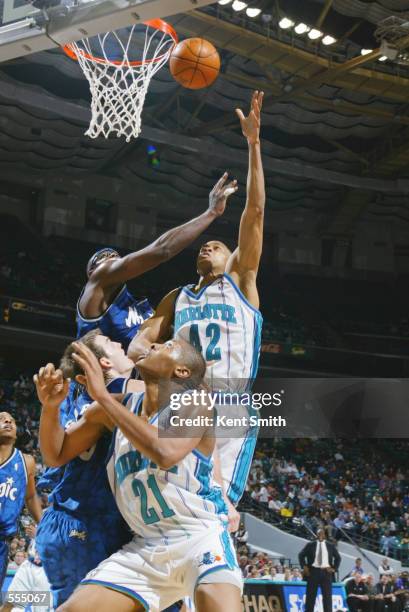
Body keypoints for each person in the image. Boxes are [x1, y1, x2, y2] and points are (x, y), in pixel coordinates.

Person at [129, 91, 265, 519]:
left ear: (233, 258)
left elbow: (255, 212)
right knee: (172, 503)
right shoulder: (178, 298)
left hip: (228, 404)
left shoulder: (241, 282)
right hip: (183, 399)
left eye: (219, 244)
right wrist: (144, 363)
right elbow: (139, 344)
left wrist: (253, 145)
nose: (209, 245)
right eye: (205, 245)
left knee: (217, 510)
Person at [35, 337, 242, 612]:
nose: (154, 345)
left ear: (181, 371)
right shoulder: (118, 406)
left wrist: (104, 398)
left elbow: (165, 452)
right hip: (145, 545)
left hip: (199, 537)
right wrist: (49, 408)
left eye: (167, 346)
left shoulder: (196, 404)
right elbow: (56, 454)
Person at [35, 330, 145, 608]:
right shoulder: (108, 402)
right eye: (111, 343)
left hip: (105, 523)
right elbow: (54, 457)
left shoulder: (86, 399)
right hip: (81, 522)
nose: (120, 343)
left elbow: (53, 456)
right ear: (105, 363)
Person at [77, 174, 238, 349]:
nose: (112, 261)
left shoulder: (140, 307)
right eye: (104, 260)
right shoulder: (98, 284)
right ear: (93, 274)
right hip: (99, 375)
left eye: (116, 258)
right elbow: (162, 250)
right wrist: (211, 213)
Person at [0, 412, 42, 592]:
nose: (8, 421)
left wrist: (43, 525)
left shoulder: (27, 462)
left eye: (11, 420)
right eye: (1, 419)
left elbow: (30, 496)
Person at [298, 529, 341, 612]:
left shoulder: (330, 545)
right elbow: (301, 555)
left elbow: (338, 558)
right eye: (319, 533)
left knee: (327, 597)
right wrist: (304, 566)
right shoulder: (310, 545)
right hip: (313, 572)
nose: (320, 535)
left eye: (322, 533)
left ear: (325, 535)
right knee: (310, 596)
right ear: (316, 535)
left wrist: (334, 569)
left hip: (326, 573)